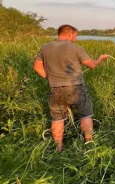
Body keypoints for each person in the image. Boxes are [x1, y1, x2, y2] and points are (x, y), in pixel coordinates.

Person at [33, 24, 108, 152]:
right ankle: (89, 144)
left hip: (55, 88)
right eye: (75, 35)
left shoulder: (45, 47)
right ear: (70, 34)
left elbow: (37, 67)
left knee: (57, 119)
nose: (76, 38)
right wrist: (100, 59)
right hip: (76, 87)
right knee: (85, 115)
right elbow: (92, 65)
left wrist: (50, 78)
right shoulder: (76, 48)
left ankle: (59, 148)